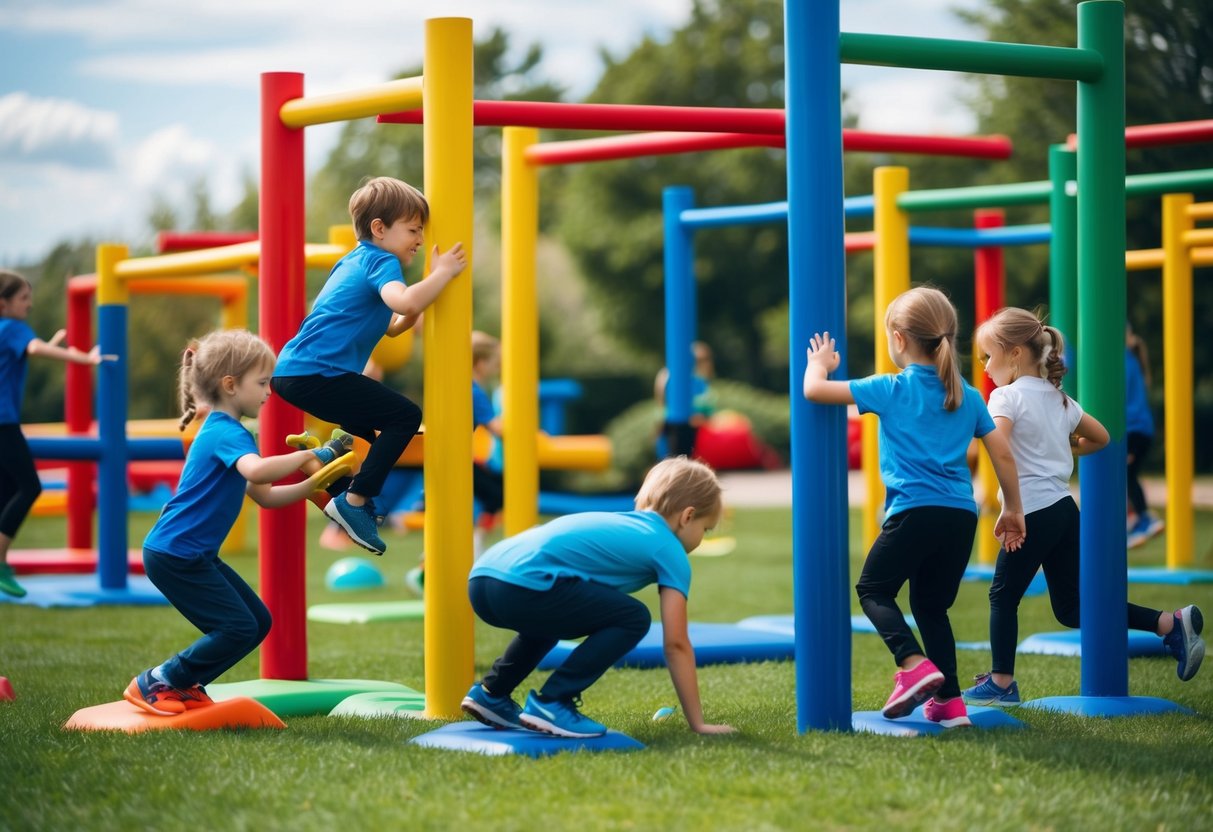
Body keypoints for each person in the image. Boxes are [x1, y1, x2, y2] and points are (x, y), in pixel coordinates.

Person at [802, 286, 1026, 730]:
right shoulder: (965, 393)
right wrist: (1013, 507)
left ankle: (912, 664)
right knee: (931, 607)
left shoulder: (891, 387)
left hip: (913, 511)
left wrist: (817, 364)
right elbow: (1001, 454)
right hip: (961, 516)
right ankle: (949, 704)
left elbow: (815, 392)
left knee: (873, 590)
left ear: (899, 338)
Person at [962, 308, 1204, 706]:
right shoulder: (1059, 400)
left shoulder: (1004, 397)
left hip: (1033, 511)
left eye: (989, 356)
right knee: (1073, 608)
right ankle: (1169, 623)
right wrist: (1064, 444)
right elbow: (1102, 437)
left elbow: (1000, 447)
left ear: (1016, 354)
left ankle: (1002, 683)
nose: (986, 367)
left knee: (1003, 596)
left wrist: (1012, 507)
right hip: (1063, 510)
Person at [124, 329, 351, 715]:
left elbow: (265, 496)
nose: (269, 391)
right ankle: (160, 679)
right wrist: (317, 453)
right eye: (262, 382)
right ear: (230, 385)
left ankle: (187, 684)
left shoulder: (227, 433)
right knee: (237, 627)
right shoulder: (225, 432)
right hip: (176, 554)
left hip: (191, 554)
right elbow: (260, 472)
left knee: (257, 622)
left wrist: (315, 483)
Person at [460, 456, 736, 738]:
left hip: (484, 578)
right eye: (705, 528)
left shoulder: (619, 523)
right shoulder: (669, 549)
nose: (702, 536)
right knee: (633, 617)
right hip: (522, 585)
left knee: (552, 619)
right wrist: (698, 724)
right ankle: (554, 701)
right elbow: (676, 644)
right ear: (687, 516)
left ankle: (491, 694)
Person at [271, 176, 467, 555]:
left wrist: (417, 306)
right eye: (413, 229)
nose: (421, 239)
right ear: (380, 228)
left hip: (294, 373)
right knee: (405, 416)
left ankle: (327, 460)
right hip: (318, 373)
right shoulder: (382, 260)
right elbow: (405, 303)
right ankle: (355, 501)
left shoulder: (353, 260)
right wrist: (442, 273)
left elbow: (394, 326)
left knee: (368, 435)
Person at [0, 270, 111, 599]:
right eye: (23, 299)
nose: (29, 304)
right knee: (30, 486)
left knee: (7, 490)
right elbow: (33, 349)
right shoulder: (15, 328)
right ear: (3, 303)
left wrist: (46, 345)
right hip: (3, 423)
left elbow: (21, 355)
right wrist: (84, 358)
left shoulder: (5, 330)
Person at [404, 330, 504, 596]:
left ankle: (443, 562)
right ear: (480, 363)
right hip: (455, 459)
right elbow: (497, 429)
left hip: (446, 457)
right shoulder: (475, 391)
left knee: (453, 513)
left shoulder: (457, 384)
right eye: (495, 363)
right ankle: (458, 556)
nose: (496, 369)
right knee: (494, 496)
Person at [1125, 322, 1164, 548]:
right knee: (1126, 474)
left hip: (1134, 429)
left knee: (1127, 474)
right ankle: (1135, 518)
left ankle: (1143, 518)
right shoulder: (1132, 359)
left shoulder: (1122, 360)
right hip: (1141, 429)